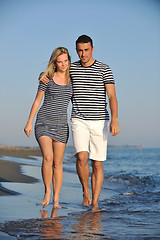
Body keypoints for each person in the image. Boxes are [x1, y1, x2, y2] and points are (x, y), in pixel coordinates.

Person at [41, 35, 120, 210]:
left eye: (86, 50)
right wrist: (43, 75)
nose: (82, 54)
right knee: (82, 158)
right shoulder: (72, 68)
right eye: (79, 50)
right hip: (79, 119)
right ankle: (85, 190)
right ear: (76, 50)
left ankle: (95, 203)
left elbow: (112, 96)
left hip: (101, 121)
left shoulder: (104, 69)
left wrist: (114, 119)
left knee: (97, 163)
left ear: (92, 49)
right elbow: (54, 72)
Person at [24, 47, 72, 208]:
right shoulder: (47, 78)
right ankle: (47, 192)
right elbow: (37, 101)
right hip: (43, 122)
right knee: (48, 158)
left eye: (65, 60)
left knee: (58, 163)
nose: (63, 64)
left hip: (61, 126)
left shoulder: (73, 78)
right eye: (60, 61)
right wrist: (29, 122)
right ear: (54, 62)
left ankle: (56, 199)